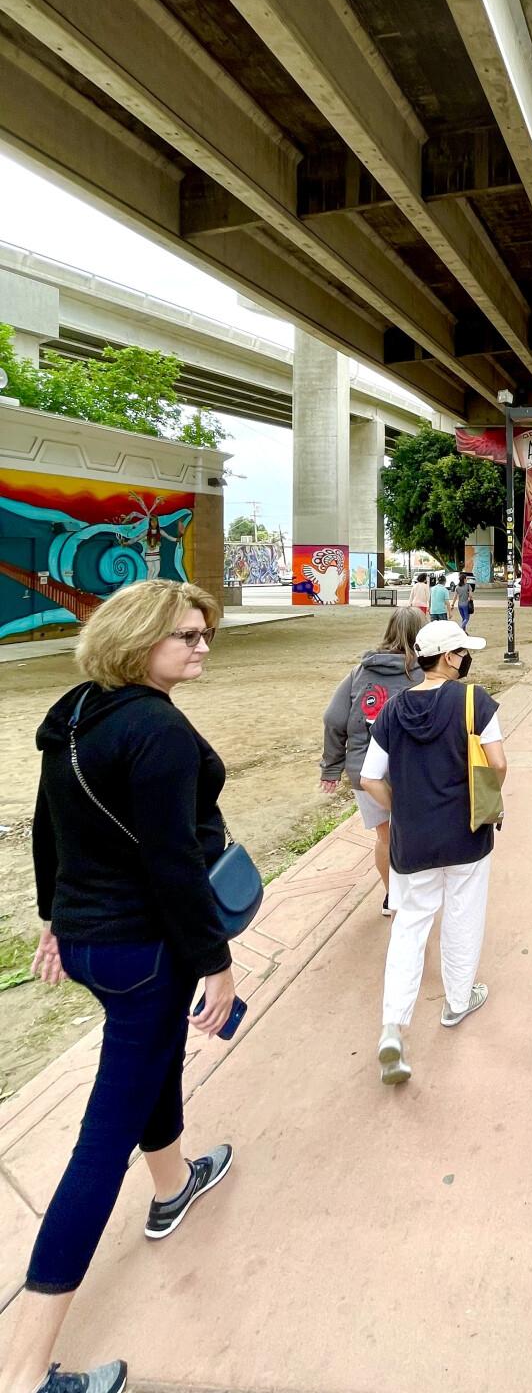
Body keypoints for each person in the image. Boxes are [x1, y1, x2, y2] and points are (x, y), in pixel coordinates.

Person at [5, 581, 237, 1393]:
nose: (203, 646)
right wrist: (216, 958)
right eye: (186, 636)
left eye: (207, 633)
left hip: (95, 942)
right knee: (102, 1141)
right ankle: (27, 1369)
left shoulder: (78, 708)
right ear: (139, 638)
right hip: (144, 949)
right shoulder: (156, 728)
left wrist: (52, 916)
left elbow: (49, 822)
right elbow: (172, 862)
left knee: (151, 1067)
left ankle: (174, 1186)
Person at [359, 620, 507, 1087]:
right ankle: (457, 1001)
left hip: (413, 839)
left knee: (410, 925)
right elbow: (498, 762)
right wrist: (482, 796)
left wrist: (402, 806)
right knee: (463, 914)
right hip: (466, 834)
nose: (467, 659)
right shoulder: (474, 701)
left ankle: (392, 1028)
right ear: (447, 657)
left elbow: (368, 778)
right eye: (463, 652)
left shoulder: (393, 709)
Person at [320, 607, 423, 917]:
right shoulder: (424, 673)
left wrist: (331, 767)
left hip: (366, 773)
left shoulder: (359, 672)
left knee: (385, 837)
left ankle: (393, 896)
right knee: (416, 835)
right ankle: (416, 896)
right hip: (413, 773)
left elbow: (333, 718)